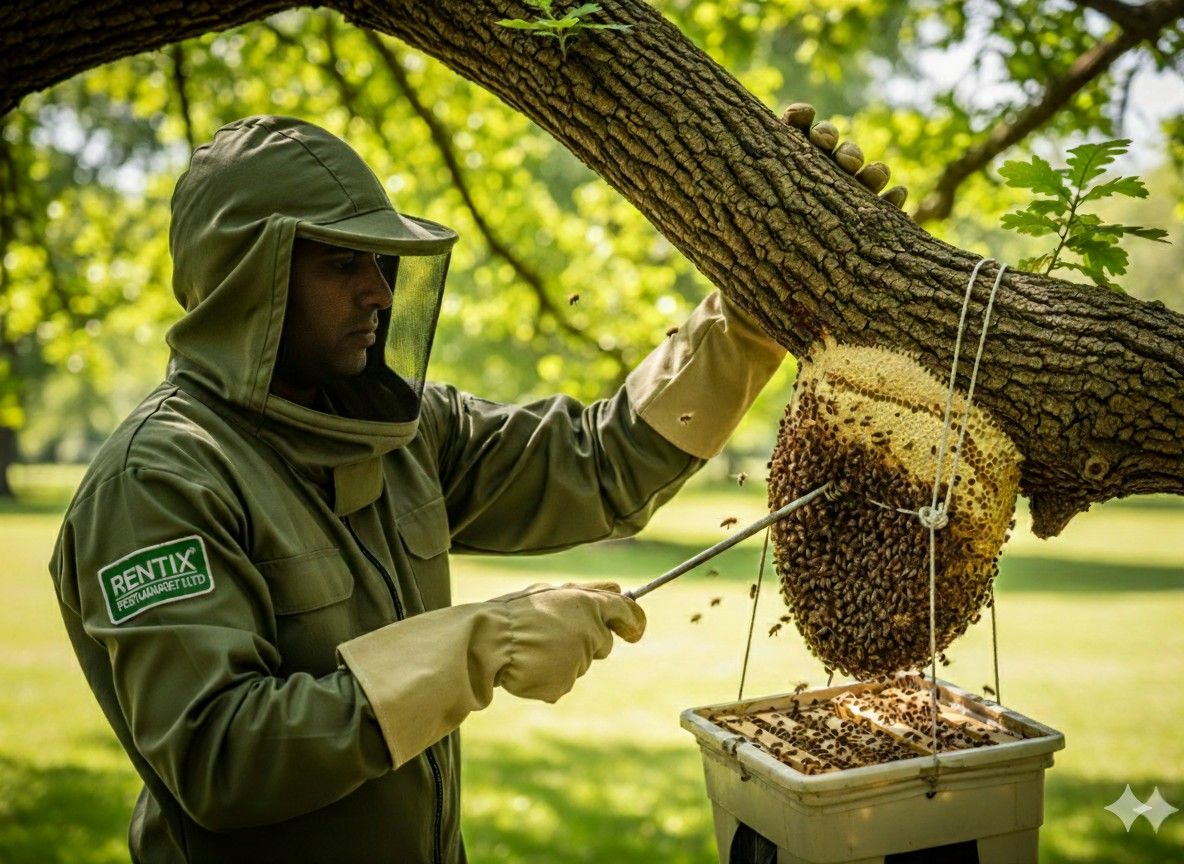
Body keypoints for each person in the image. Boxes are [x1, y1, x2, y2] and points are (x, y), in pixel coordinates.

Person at [49, 112, 895, 863]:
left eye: (380, 262)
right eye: (342, 263)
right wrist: (476, 646)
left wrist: (747, 311)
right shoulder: (159, 479)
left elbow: (599, 464)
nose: (379, 292)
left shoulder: (409, 429)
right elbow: (221, 759)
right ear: (247, 282)